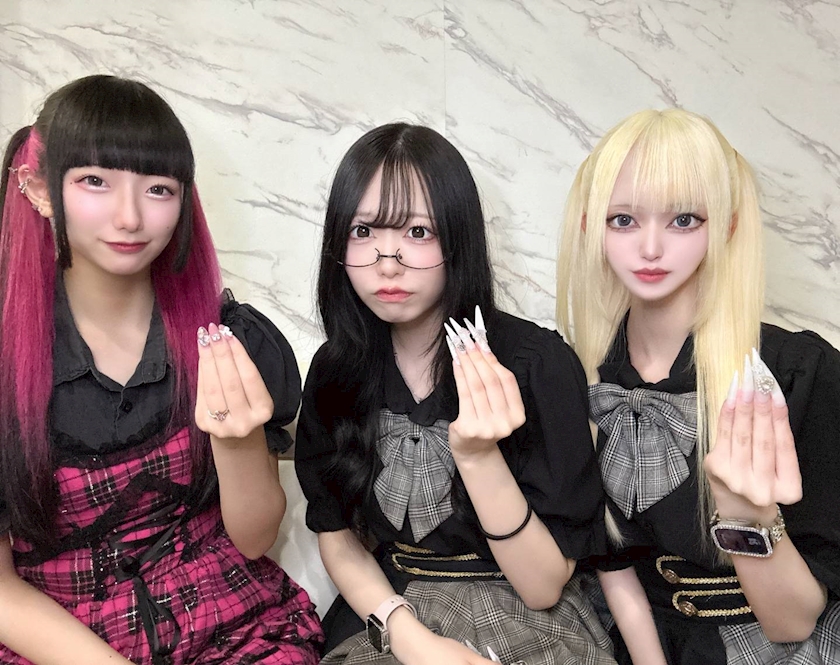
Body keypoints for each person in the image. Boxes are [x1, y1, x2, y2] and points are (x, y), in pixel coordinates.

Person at [0, 75, 323, 664]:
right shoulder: (7, 367)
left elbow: (254, 540)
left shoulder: (229, 338)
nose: (130, 218)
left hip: (229, 622)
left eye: (157, 189)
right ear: (40, 189)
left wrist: (238, 439)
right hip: (61, 641)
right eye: (95, 181)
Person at [294, 123, 617, 665]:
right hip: (389, 608)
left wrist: (477, 456)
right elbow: (337, 534)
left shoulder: (535, 362)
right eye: (364, 230)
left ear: (457, 237)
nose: (387, 261)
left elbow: (543, 586)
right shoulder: (337, 369)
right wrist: (408, 637)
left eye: (418, 232)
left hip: (525, 615)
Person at [556, 108, 840, 664]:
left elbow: (793, 622)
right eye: (623, 220)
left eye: (684, 220)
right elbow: (604, 558)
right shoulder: (576, 374)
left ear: (727, 225)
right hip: (625, 642)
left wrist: (745, 516)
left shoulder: (798, 372)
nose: (651, 248)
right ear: (590, 226)